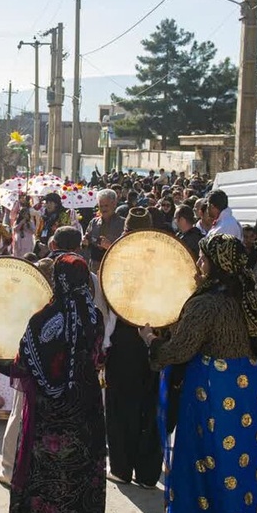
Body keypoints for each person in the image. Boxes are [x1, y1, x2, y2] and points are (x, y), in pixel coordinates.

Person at [148, 234, 257, 513]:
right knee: (241, 460)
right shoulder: (249, 296)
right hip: (247, 387)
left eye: (203, 258)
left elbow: (180, 350)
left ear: (216, 263)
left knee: (209, 459)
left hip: (214, 389)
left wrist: (151, 342)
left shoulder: (206, 303)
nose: (199, 263)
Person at [0, 253, 107, 513]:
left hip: (50, 412)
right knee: (81, 471)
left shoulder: (43, 320)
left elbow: (23, 364)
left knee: (49, 475)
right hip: (86, 405)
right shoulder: (95, 317)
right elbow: (95, 357)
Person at [104, 208, 161, 488]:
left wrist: (103, 345)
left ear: (125, 232)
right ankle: (149, 473)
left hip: (124, 340)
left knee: (120, 407)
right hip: (154, 337)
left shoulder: (117, 259)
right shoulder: (163, 259)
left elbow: (109, 311)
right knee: (149, 406)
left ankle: (122, 469)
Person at [83, 189, 125, 272]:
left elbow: (127, 249)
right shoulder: (94, 222)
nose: (103, 209)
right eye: (101, 206)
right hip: (94, 267)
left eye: (106, 206)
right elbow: (85, 247)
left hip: (114, 266)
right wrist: (85, 243)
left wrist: (111, 247)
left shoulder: (123, 223)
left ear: (114, 204)